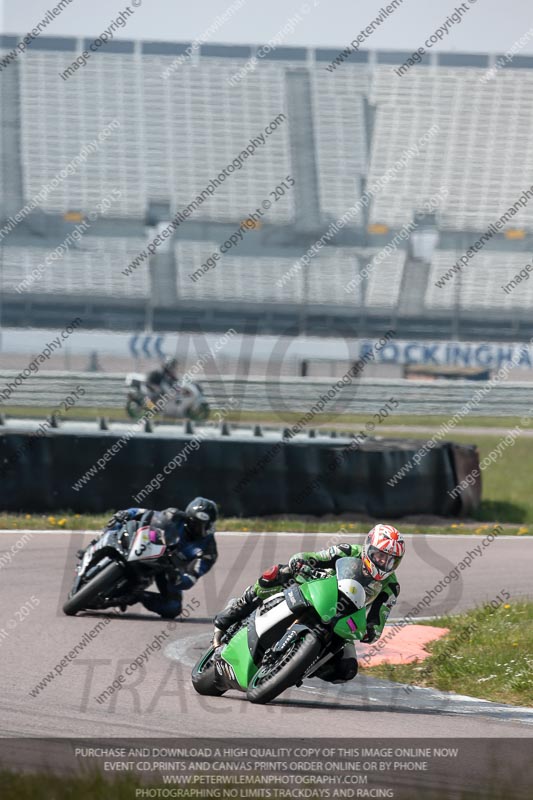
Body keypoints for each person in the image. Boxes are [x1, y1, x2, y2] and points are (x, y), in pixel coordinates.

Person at [212, 524, 405, 683]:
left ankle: (299, 665)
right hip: (317, 591)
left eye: (391, 561)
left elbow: (379, 618)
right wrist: (302, 563)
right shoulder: (347, 551)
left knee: (347, 669)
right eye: (380, 555)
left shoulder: (391, 586)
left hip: (343, 619)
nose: (383, 563)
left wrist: (371, 631)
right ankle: (239, 607)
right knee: (280, 573)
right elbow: (314, 557)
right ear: (368, 547)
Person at [80, 497, 218, 618]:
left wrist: (178, 578)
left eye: (205, 525)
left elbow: (193, 576)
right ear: (189, 518)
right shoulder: (174, 515)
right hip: (150, 546)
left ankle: (137, 595)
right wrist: (126, 513)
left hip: (169, 568)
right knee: (119, 523)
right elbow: (146, 513)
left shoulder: (208, 550)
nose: (200, 528)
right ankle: (92, 547)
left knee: (173, 608)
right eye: (196, 523)